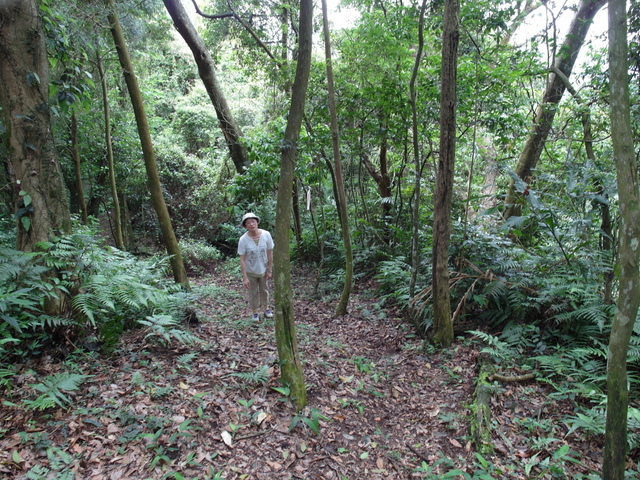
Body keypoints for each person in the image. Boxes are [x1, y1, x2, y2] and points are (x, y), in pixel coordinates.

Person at [238, 212, 274, 321]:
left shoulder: (266, 235)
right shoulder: (243, 239)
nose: (251, 224)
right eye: (248, 223)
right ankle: (254, 312)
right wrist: (245, 277)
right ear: (245, 226)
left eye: (253, 221)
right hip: (251, 270)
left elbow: (270, 253)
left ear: (257, 222)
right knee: (253, 292)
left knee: (264, 290)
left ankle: (266, 308)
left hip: (263, 269)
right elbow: (242, 259)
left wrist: (269, 270)